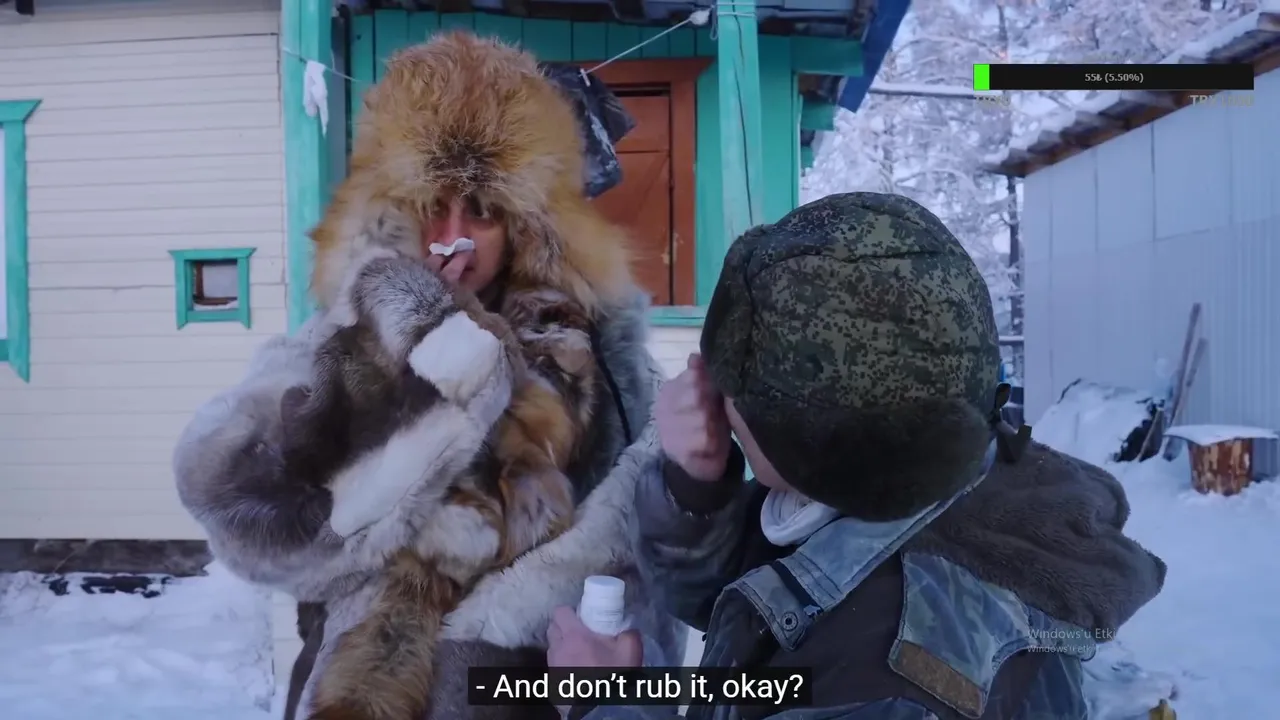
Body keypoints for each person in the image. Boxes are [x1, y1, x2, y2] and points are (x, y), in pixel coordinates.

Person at [172, 34, 684, 720]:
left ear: (527, 223)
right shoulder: (342, 335)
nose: (453, 236)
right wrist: (400, 341)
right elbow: (244, 516)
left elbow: (636, 585)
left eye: (482, 211)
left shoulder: (595, 365)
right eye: (431, 204)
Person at [546, 192, 1168, 719]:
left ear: (807, 443)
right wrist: (700, 486)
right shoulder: (934, 487)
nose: (710, 395)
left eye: (734, 385)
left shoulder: (895, 675)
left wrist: (604, 700)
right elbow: (758, 607)